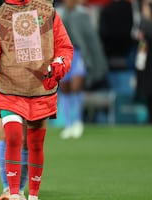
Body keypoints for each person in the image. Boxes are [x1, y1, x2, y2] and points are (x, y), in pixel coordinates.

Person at [0, 0, 73, 200]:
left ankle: (34, 197)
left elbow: (64, 47)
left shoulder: (48, 12)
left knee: (36, 143)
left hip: (40, 87)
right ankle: (13, 194)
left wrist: (60, 63)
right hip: (10, 87)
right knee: (12, 137)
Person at [56, 0, 108, 139]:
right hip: (62, 55)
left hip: (78, 54)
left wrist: (94, 59)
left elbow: (91, 38)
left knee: (76, 86)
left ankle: (78, 121)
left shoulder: (83, 14)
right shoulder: (58, 13)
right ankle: (68, 124)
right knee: (65, 88)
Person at [135, 0, 152, 123]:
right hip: (147, 61)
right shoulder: (143, 25)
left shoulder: (146, 26)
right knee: (148, 90)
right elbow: (142, 44)